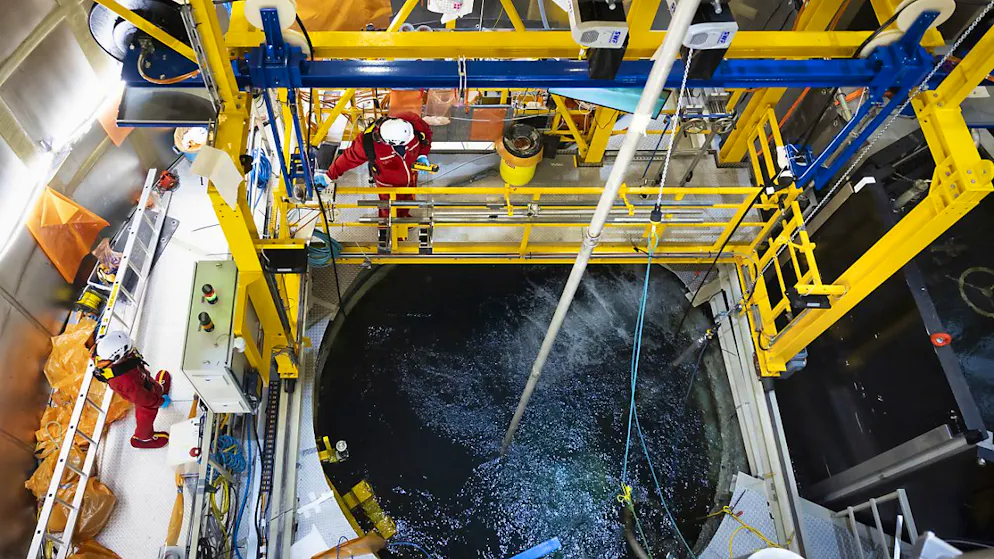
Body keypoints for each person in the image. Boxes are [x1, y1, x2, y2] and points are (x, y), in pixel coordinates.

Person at [326, 113, 433, 219]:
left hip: (411, 179)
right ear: (389, 142)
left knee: (408, 200)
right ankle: (386, 224)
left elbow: (426, 136)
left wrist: (422, 155)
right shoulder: (367, 144)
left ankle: (403, 217)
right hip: (387, 185)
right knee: (387, 207)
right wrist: (328, 176)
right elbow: (347, 159)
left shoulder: (413, 123)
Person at [92, 331, 172, 449]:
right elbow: (142, 399)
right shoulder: (126, 381)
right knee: (146, 413)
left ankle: (158, 391)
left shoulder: (107, 355)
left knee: (147, 381)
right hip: (141, 395)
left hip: (138, 376)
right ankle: (143, 438)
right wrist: (158, 402)